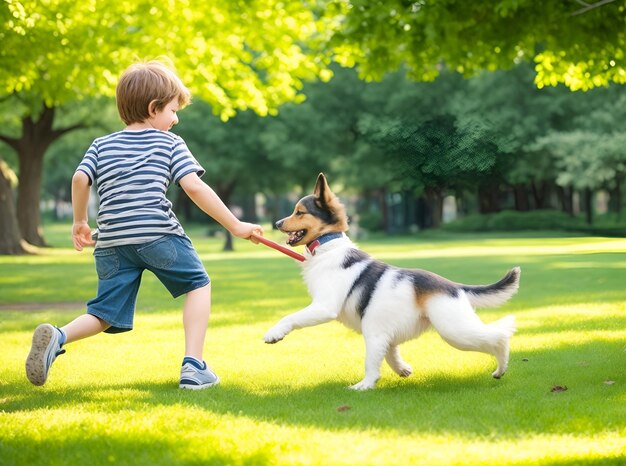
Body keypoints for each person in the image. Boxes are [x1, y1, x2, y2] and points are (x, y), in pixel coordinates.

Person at [25, 60, 263, 390]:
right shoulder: (170, 143)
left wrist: (80, 221)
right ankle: (194, 365)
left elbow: (80, 178)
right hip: (157, 234)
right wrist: (236, 225)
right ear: (154, 109)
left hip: (111, 242)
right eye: (172, 110)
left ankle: (59, 336)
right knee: (198, 284)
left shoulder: (100, 144)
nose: (176, 118)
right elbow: (193, 186)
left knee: (105, 313)